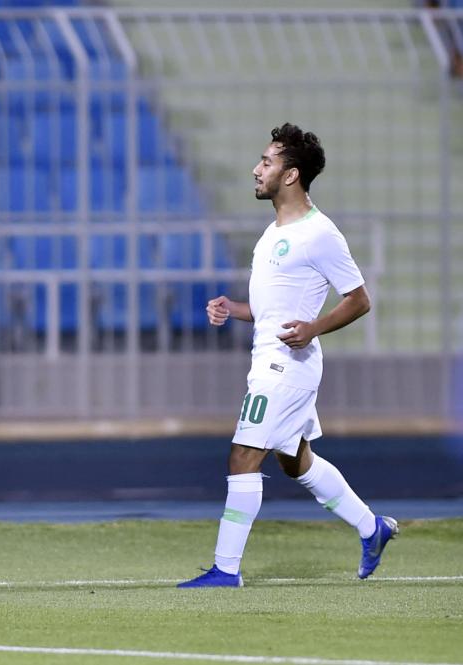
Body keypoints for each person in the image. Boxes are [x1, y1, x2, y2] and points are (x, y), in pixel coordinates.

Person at [178, 123, 398, 588]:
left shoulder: (320, 234)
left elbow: (359, 299)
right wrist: (233, 308)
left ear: (291, 174)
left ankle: (225, 570)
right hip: (272, 359)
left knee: (243, 455)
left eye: (266, 162)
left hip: (285, 365)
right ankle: (371, 527)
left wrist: (315, 327)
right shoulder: (273, 232)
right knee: (295, 460)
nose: (256, 170)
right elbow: (272, 310)